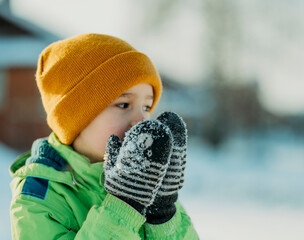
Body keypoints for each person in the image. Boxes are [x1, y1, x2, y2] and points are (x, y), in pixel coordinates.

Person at [9, 33, 198, 239]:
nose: (142, 121)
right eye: (124, 105)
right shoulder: (37, 195)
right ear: (77, 118)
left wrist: (163, 213)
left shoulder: (146, 181)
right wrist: (124, 205)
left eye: (146, 106)